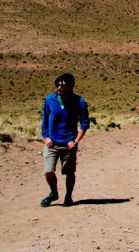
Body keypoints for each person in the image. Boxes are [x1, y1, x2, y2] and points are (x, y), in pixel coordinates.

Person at [40, 73, 90, 207]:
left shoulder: (79, 101)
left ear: (70, 86)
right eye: (58, 84)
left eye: (63, 85)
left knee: (69, 172)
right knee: (48, 171)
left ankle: (68, 196)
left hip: (69, 144)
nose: (60, 87)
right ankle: (54, 193)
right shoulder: (50, 100)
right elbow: (44, 121)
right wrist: (46, 137)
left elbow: (84, 123)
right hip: (52, 143)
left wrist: (76, 141)